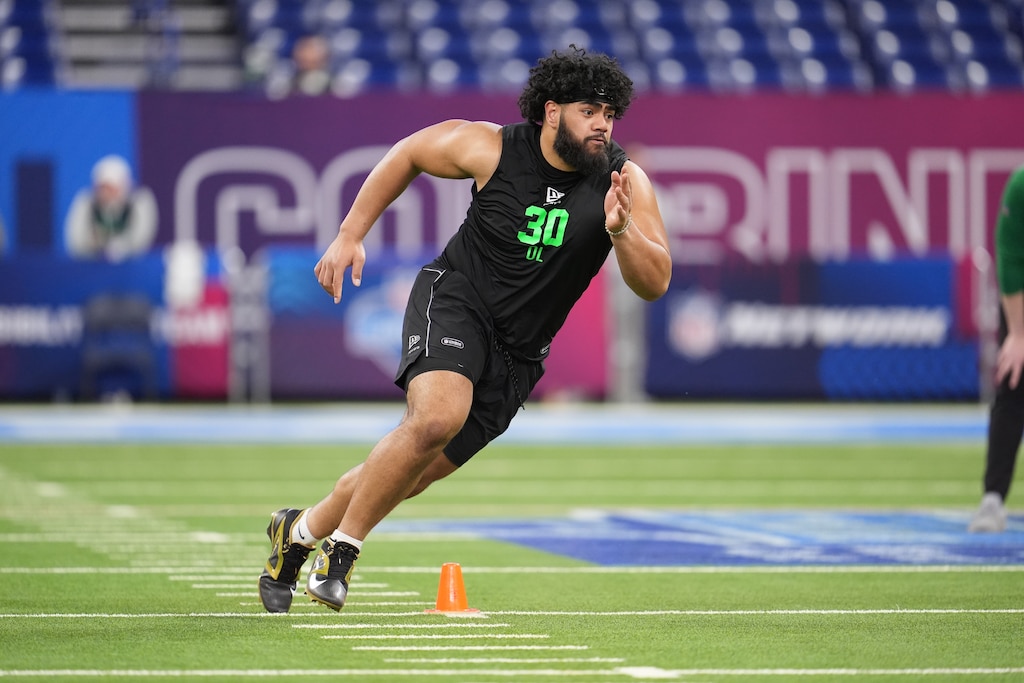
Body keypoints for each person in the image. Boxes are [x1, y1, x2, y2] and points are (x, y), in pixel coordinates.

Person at [257, 46, 672, 613]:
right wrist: (350, 233)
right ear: (552, 111)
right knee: (435, 417)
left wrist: (622, 231)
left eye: (609, 113)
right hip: (456, 299)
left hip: (520, 353)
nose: (602, 124)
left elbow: (655, 282)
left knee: (415, 472)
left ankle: (298, 532)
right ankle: (342, 553)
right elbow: (407, 154)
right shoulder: (491, 146)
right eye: (588, 111)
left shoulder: (623, 181)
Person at [969, 166, 1024, 532]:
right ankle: (992, 499)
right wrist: (1018, 334)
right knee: (1013, 382)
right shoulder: (1021, 187)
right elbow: (1010, 257)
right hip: (1022, 297)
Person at [64, 155, 158, 261]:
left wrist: (119, 247)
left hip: (130, 269)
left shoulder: (139, 203)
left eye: (111, 188)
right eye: (102, 188)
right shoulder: (87, 203)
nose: (105, 193)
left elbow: (141, 240)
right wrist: (96, 247)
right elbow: (75, 243)